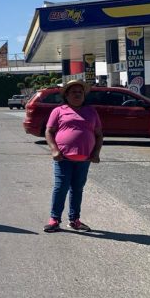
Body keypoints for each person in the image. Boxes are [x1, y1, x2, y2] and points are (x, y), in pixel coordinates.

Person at [43, 79, 103, 232]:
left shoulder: (91, 111)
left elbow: (98, 134)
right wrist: (54, 150)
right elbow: (49, 132)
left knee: (77, 189)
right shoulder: (59, 111)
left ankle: (74, 220)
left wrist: (96, 153)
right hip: (63, 158)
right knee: (61, 187)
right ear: (67, 95)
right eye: (74, 92)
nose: (77, 94)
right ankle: (54, 220)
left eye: (80, 92)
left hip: (84, 159)